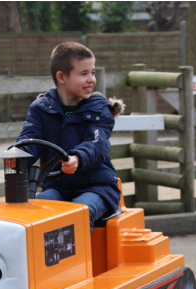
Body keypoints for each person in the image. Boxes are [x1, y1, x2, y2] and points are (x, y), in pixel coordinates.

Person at [17, 41, 124, 229]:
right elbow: (29, 141)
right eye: (84, 74)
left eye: (93, 73)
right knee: (37, 208)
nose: (91, 79)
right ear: (61, 77)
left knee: (79, 212)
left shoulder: (99, 108)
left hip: (97, 187)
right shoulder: (40, 109)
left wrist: (77, 157)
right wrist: (16, 157)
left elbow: (97, 145)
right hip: (58, 187)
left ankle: (80, 259)